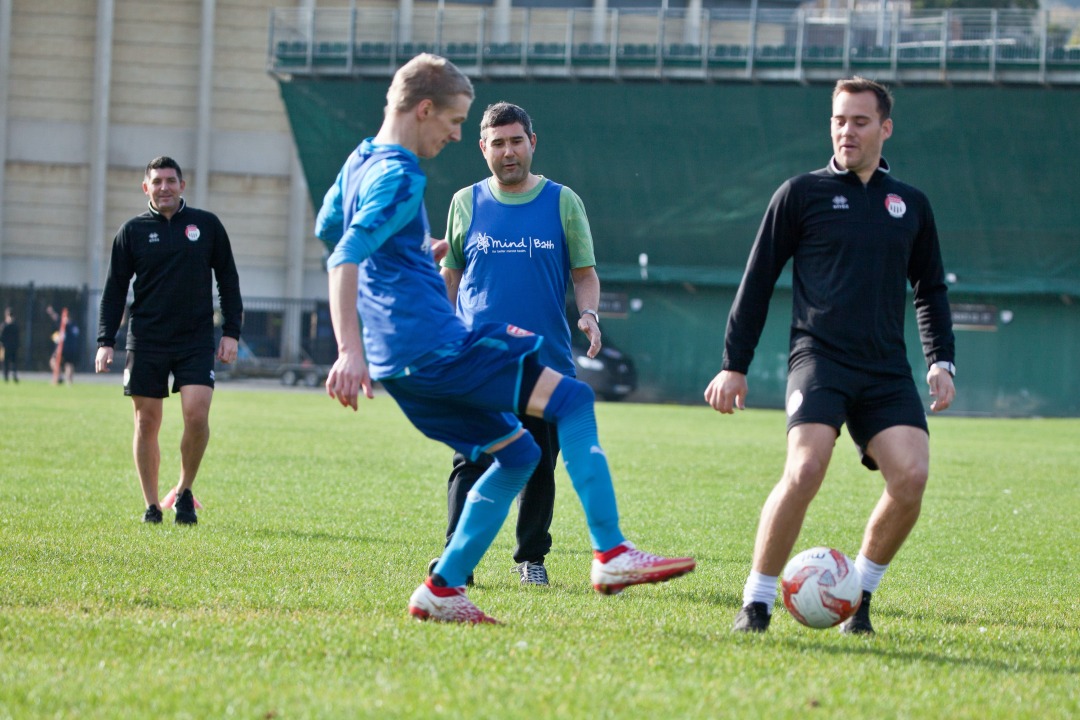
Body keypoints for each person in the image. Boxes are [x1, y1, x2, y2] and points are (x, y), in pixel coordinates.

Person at [316, 53, 694, 624]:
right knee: (573, 399)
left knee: (518, 452)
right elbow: (346, 255)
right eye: (455, 121)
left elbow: (331, 231)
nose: (456, 134)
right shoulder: (401, 173)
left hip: (404, 362)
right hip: (434, 345)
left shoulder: (359, 162)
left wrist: (412, 260)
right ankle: (612, 552)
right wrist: (349, 349)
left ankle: (443, 588)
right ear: (424, 109)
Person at [704, 77, 956, 635]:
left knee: (912, 476)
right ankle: (757, 601)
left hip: (886, 367)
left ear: (884, 128)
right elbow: (757, 279)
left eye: (860, 121)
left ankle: (858, 596)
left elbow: (930, 288)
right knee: (806, 467)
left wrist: (941, 359)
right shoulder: (800, 193)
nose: (847, 130)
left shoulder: (910, 203)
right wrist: (733, 363)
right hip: (819, 358)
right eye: (839, 120)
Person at [433, 101, 603, 587]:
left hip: (543, 361)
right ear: (483, 147)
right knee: (471, 459)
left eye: (516, 141)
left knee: (537, 465)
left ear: (532, 142)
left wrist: (587, 314)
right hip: (478, 361)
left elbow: (585, 275)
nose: (508, 152)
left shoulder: (562, 201)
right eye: (498, 143)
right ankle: (454, 559)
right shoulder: (465, 202)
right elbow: (452, 275)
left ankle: (532, 559)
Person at [96, 156, 243, 525]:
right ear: (146, 187)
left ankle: (184, 491)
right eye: (157, 181)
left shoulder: (206, 226)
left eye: (171, 181)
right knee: (147, 422)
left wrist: (231, 333)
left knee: (196, 414)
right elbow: (114, 290)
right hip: (146, 340)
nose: (164, 187)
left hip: (194, 339)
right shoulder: (131, 232)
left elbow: (228, 280)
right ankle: (150, 504)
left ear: (183, 185)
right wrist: (105, 340)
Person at [1, 307, 18, 383]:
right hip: (6, 346)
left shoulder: (13, 325)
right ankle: (6, 376)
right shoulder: (5, 325)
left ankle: (12, 376)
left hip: (10, 346)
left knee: (12, 362)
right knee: (7, 362)